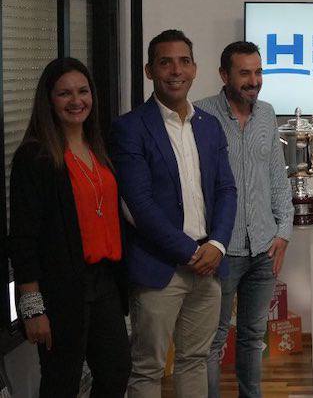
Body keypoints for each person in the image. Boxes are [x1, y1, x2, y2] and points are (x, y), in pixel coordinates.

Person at [111, 29, 237, 398]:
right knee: (148, 367)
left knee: (195, 360)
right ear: (150, 71)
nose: (175, 70)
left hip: (209, 264)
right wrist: (188, 252)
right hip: (160, 267)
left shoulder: (209, 126)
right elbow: (138, 204)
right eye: (165, 62)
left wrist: (216, 245)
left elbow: (226, 190)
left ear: (195, 69)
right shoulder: (130, 128)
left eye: (183, 61)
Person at [8, 57, 131, 396]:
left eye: (83, 91)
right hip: (61, 288)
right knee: (61, 382)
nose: (76, 101)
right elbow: (23, 237)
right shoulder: (34, 157)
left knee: (115, 373)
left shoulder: (98, 147)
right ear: (49, 100)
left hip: (104, 282)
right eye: (64, 94)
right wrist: (32, 307)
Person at [197, 41, 294, 398]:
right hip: (221, 248)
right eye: (244, 73)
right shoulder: (200, 115)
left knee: (253, 337)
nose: (254, 81)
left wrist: (283, 232)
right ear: (224, 75)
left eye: (258, 72)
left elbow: (276, 178)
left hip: (264, 247)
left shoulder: (267, 114)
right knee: (212, 340)